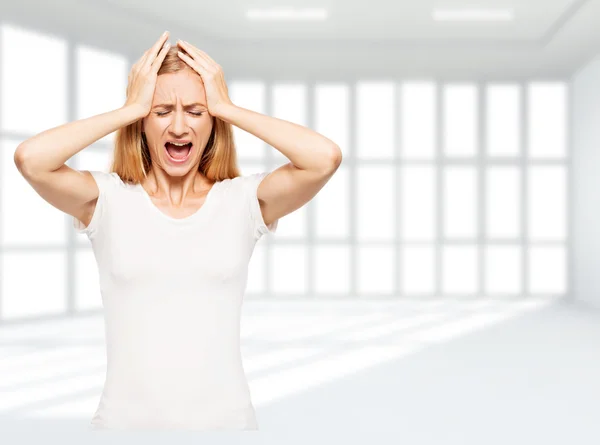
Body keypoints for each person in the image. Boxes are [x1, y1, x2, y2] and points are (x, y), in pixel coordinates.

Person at [13, 31, 342, 430]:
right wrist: (128, 108)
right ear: (142, 123)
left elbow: (324, 158)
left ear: (213, 123)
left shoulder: (242, 201)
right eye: (162, 110)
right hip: (123, 430)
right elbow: (31, 159)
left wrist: (227, 106)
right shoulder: (108, 200)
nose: (180, 126)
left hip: (226, 429)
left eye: (196, 111)